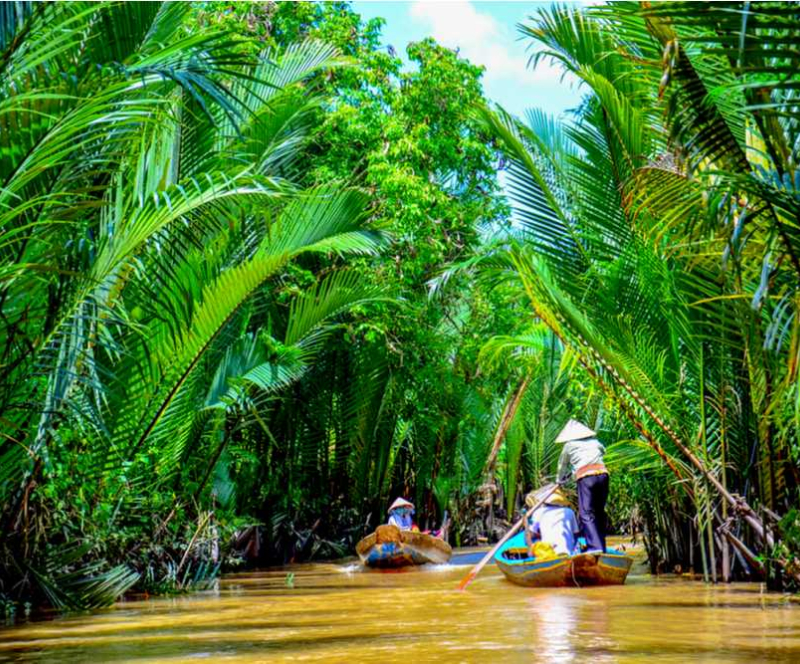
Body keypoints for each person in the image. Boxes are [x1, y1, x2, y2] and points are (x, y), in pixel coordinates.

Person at [556, 419, 609, 553]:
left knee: (586, 514)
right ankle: (602, 546)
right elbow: (603, 452)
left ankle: (595, 547)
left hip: (586, 478)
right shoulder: (595, 442)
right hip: (603, 475)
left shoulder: (569, 445)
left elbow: (562, 465)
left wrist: (559, 480)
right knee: (599, 512)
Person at [524, 487, 580, 557]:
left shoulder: (539, 512)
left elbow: (530, 535)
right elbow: (576, 534)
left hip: (549, 552)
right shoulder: (569, 512)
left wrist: (526, 525)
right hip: (567, 552)